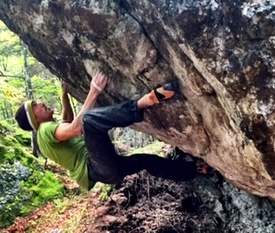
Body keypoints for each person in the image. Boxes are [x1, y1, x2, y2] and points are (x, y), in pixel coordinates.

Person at [15, 73, 198, 191]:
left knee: (146, 161)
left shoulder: (45, 135)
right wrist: (94, 91)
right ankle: (142, 103)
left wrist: (64, 96)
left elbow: (67, 121)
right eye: (35, 106)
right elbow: (76, 127)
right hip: (98, 166)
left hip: (107, 172)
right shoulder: (45, 130)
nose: (40, 103)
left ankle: (194, 171)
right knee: (88, 121)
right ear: (35, 118)